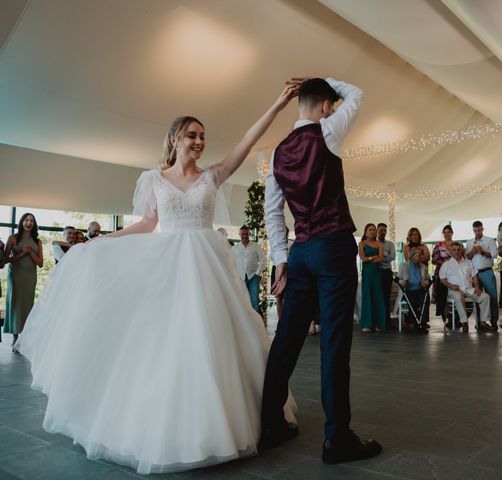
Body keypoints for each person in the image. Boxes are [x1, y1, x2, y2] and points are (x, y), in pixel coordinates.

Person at [17, 84, 299, 474]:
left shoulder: (212, 175)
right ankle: (163, 424)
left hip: (207, 270)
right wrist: (98, 242)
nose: (199, 141)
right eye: (192, 135)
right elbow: (148, 224)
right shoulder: (153, 179)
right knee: (163, 344)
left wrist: (278, 103)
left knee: (213, 341)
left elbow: (248, 143)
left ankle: (224, 422)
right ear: (174, 138)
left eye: (203, 136)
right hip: (168, 266)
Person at [263, 77, 381, 464]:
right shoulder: (327, 130)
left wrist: (282, 258)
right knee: (334, 342)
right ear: (327, 106)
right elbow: (357, 92)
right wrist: (324, 80)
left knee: (287, 338)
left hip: (300, 252)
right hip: (332, 247)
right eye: (330, 102)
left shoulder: (277, 154)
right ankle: (337, 439)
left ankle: (270, 423)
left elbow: (272, 214)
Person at [3, 213, 43, 352]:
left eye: (32, 220)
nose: (29, 222)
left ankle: (24, 337)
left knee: (27, 304)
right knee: (16, 303)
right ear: (22, 222)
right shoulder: (13, 238)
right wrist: (21, 254)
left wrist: (31, 252)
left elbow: (41, 263)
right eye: (26, 220)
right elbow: (4, 260)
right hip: (15, 276)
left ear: (34, 224)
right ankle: (15, 337)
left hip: (30, 277)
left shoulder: (37, 241)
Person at [439, 242, 492, 332]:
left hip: (468, 289)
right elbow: (442, 280)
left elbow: (474, 276)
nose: (457, 252)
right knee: (458, 297)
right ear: (450, 252)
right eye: (454, 250)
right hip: (455, 290)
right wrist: (451, 286)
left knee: (485, 297)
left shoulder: (468, 262)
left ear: (462, 250)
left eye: (459, 250)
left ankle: (483, 322)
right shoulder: (446, 264)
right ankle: (464, 322)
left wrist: (477, 287)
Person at [465, 221, 498, 329]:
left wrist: (482, 252)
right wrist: (473, 252)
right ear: (473, 230)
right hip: (475, 273)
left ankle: (493, 321)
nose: (477, 232)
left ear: (482, 229)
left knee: (492, 296)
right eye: (475, 230)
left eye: (479, 230)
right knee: (479, 297)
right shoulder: (469, 242)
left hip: (487, 271)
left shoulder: (490, 240)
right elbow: (467, 258)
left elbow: (494, 255)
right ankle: (479, 322)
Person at [358, 223, 386, 333]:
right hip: (367, 274)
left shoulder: (379, 244)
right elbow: (363, 259)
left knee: (377, 296)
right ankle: (367, 324)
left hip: (376, 274)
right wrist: (374, 257)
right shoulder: (362, 243)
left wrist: (370, 258)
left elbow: (381, 259)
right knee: (367, 296)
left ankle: (378, 324)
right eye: (370, 229)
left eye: (374, 230)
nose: (373, 231)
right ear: (366, 232)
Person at [232, 225, 266, 313]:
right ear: (239, 234)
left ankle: (256, 324)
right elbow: (231, 263)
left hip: (253, 277)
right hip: (240, 278)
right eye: (242, 234)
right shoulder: (234, 249)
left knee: (254, 301)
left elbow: (263, 260)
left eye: (246, 234)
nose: (244, 236)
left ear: (249, 234)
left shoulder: (256, 246)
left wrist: (257, 274)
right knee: (242, 301)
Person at [398, 248, 430, 332]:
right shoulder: (403, 265)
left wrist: (426, 282)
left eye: (421, 255)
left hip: (420, 289)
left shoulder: (423, 266)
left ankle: (423, 322)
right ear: (412, 256)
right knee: (411, 301)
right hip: (408, 290)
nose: (421, 256)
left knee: (426, 298)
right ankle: (415, 322)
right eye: (418, 255)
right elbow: (399, 279)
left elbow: (428, 278)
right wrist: (403, 282)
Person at [432, 225, 454, 323]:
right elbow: (434, 259)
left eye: (448, 232)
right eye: (444, 232)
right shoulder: (439, 245)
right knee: (442, 295)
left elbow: (462, 257)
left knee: (453, 294)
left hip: (454, 272)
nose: (446, 234)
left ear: (452, 233)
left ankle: (454, 317)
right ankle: (444, 315)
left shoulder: (457, 244)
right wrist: (446, 265)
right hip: (441, 272)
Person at [377, 222, 395, 328]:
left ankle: (387, 321)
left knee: (386, 296)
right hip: (377, 272)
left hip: (387, 271)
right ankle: (378, 321)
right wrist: (384, 255)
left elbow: (392, 256)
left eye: (384, 230)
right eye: (381, 230)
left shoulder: (390, 244)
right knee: (378, 296)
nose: (383, 232)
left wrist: (380, 258)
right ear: (377, 231)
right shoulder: (374, 243)